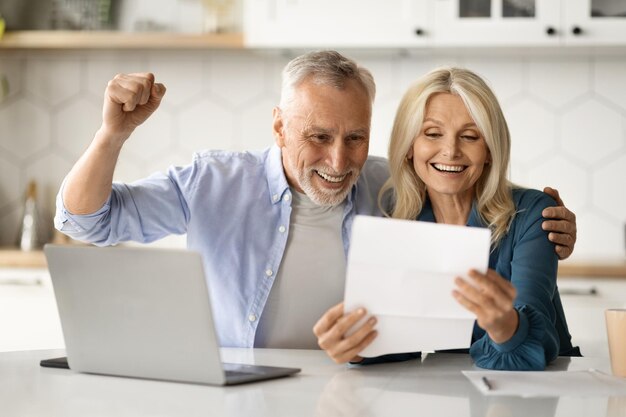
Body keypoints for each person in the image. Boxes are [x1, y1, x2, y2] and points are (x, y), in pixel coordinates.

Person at [54, 51, 576, 352]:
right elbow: (87, 222)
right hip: (243, 390)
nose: (338, 160)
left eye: (356, 137)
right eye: (319, 136)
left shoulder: (389, 185)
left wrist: (543, 219)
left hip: (355, 391)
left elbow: (464, 184)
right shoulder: (213, 181)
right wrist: (110, 136)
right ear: (279, 126)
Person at [314, 67, 579, 370]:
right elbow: (397, 340)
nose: (451, 151)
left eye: (469, 136)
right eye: (432, 133)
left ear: (490, 150)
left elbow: (539, 336)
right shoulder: (400, 221)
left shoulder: (533, 214)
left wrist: (505, 324)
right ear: (410, 146)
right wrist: (356, 346)